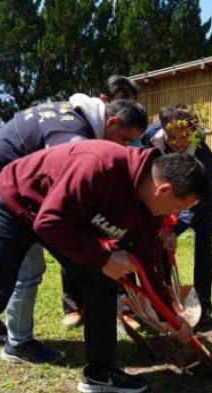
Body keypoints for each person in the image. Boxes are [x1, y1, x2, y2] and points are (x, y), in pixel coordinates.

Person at [0, 142, 208, 393]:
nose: (177, 213)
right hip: (17, 205)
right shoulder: (99, 167)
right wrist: (103, 258)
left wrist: (169, 314)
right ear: (163, 191)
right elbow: (49, 222)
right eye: (179, 207)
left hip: (65, 219)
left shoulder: (145, 203)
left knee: (101, 285)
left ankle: (99, 372)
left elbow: (149, 255)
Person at [0, 95, 148, 364]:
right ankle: (18, 343)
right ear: (113, 121)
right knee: (27, 268)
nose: (126, 148)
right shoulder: (72, 138)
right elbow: (56, 210)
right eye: (125, 139)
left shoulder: (76, 114)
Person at [62, 75, 142, 328]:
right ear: (105, 101)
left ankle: (126, 307)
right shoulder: (81, 129)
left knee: (121, 249)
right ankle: (74, 305)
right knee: (74, 248)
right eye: (122, 103)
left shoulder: (130, 131)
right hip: (84, 199)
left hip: (115, 197)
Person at [141, 104, 212, 322]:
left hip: (198, 200)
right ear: (163, 130)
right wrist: (163, 225)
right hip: (161, 195)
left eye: (185, 136)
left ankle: (203, 302)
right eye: (173, 137)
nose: (180, 142)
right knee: (159, 245)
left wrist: (176, 227)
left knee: (204, 245)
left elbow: (203, 197)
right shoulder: (149, 140)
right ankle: (166, 301)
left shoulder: (203, 153)